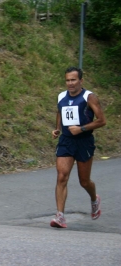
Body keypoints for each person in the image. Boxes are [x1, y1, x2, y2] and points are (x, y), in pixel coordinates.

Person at [50, 66, 106, 228]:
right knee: (62, 176)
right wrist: (58, 129)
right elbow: (60, 112)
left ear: (81, 80)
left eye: (73, 80)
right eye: (67, 80)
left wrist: (81, 129)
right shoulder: (61, 96)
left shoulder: (89, 97)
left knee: (84, 181)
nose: (70, 83)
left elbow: (102, 120)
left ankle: (94, 198)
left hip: (84, 142)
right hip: (66, 141)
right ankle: (60, 216)